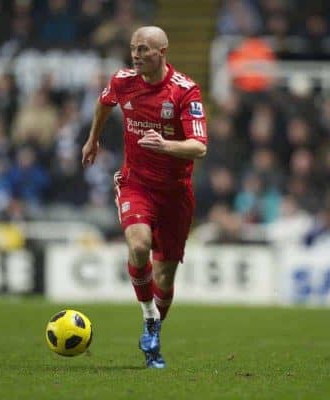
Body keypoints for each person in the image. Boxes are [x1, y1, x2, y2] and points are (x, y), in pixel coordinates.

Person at [82, 26, 208, 369]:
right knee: (138, 246)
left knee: (165, 278)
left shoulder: (185, 91)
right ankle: (149, 317)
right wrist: (93, 139)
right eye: (133, 49)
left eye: (144, 49)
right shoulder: (123, 81)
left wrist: (165, 145)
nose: (136, 55)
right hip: (136, 183)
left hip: (175, 195)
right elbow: (104, 103)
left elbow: (199, 146)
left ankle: (153, 327)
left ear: (162, 52)